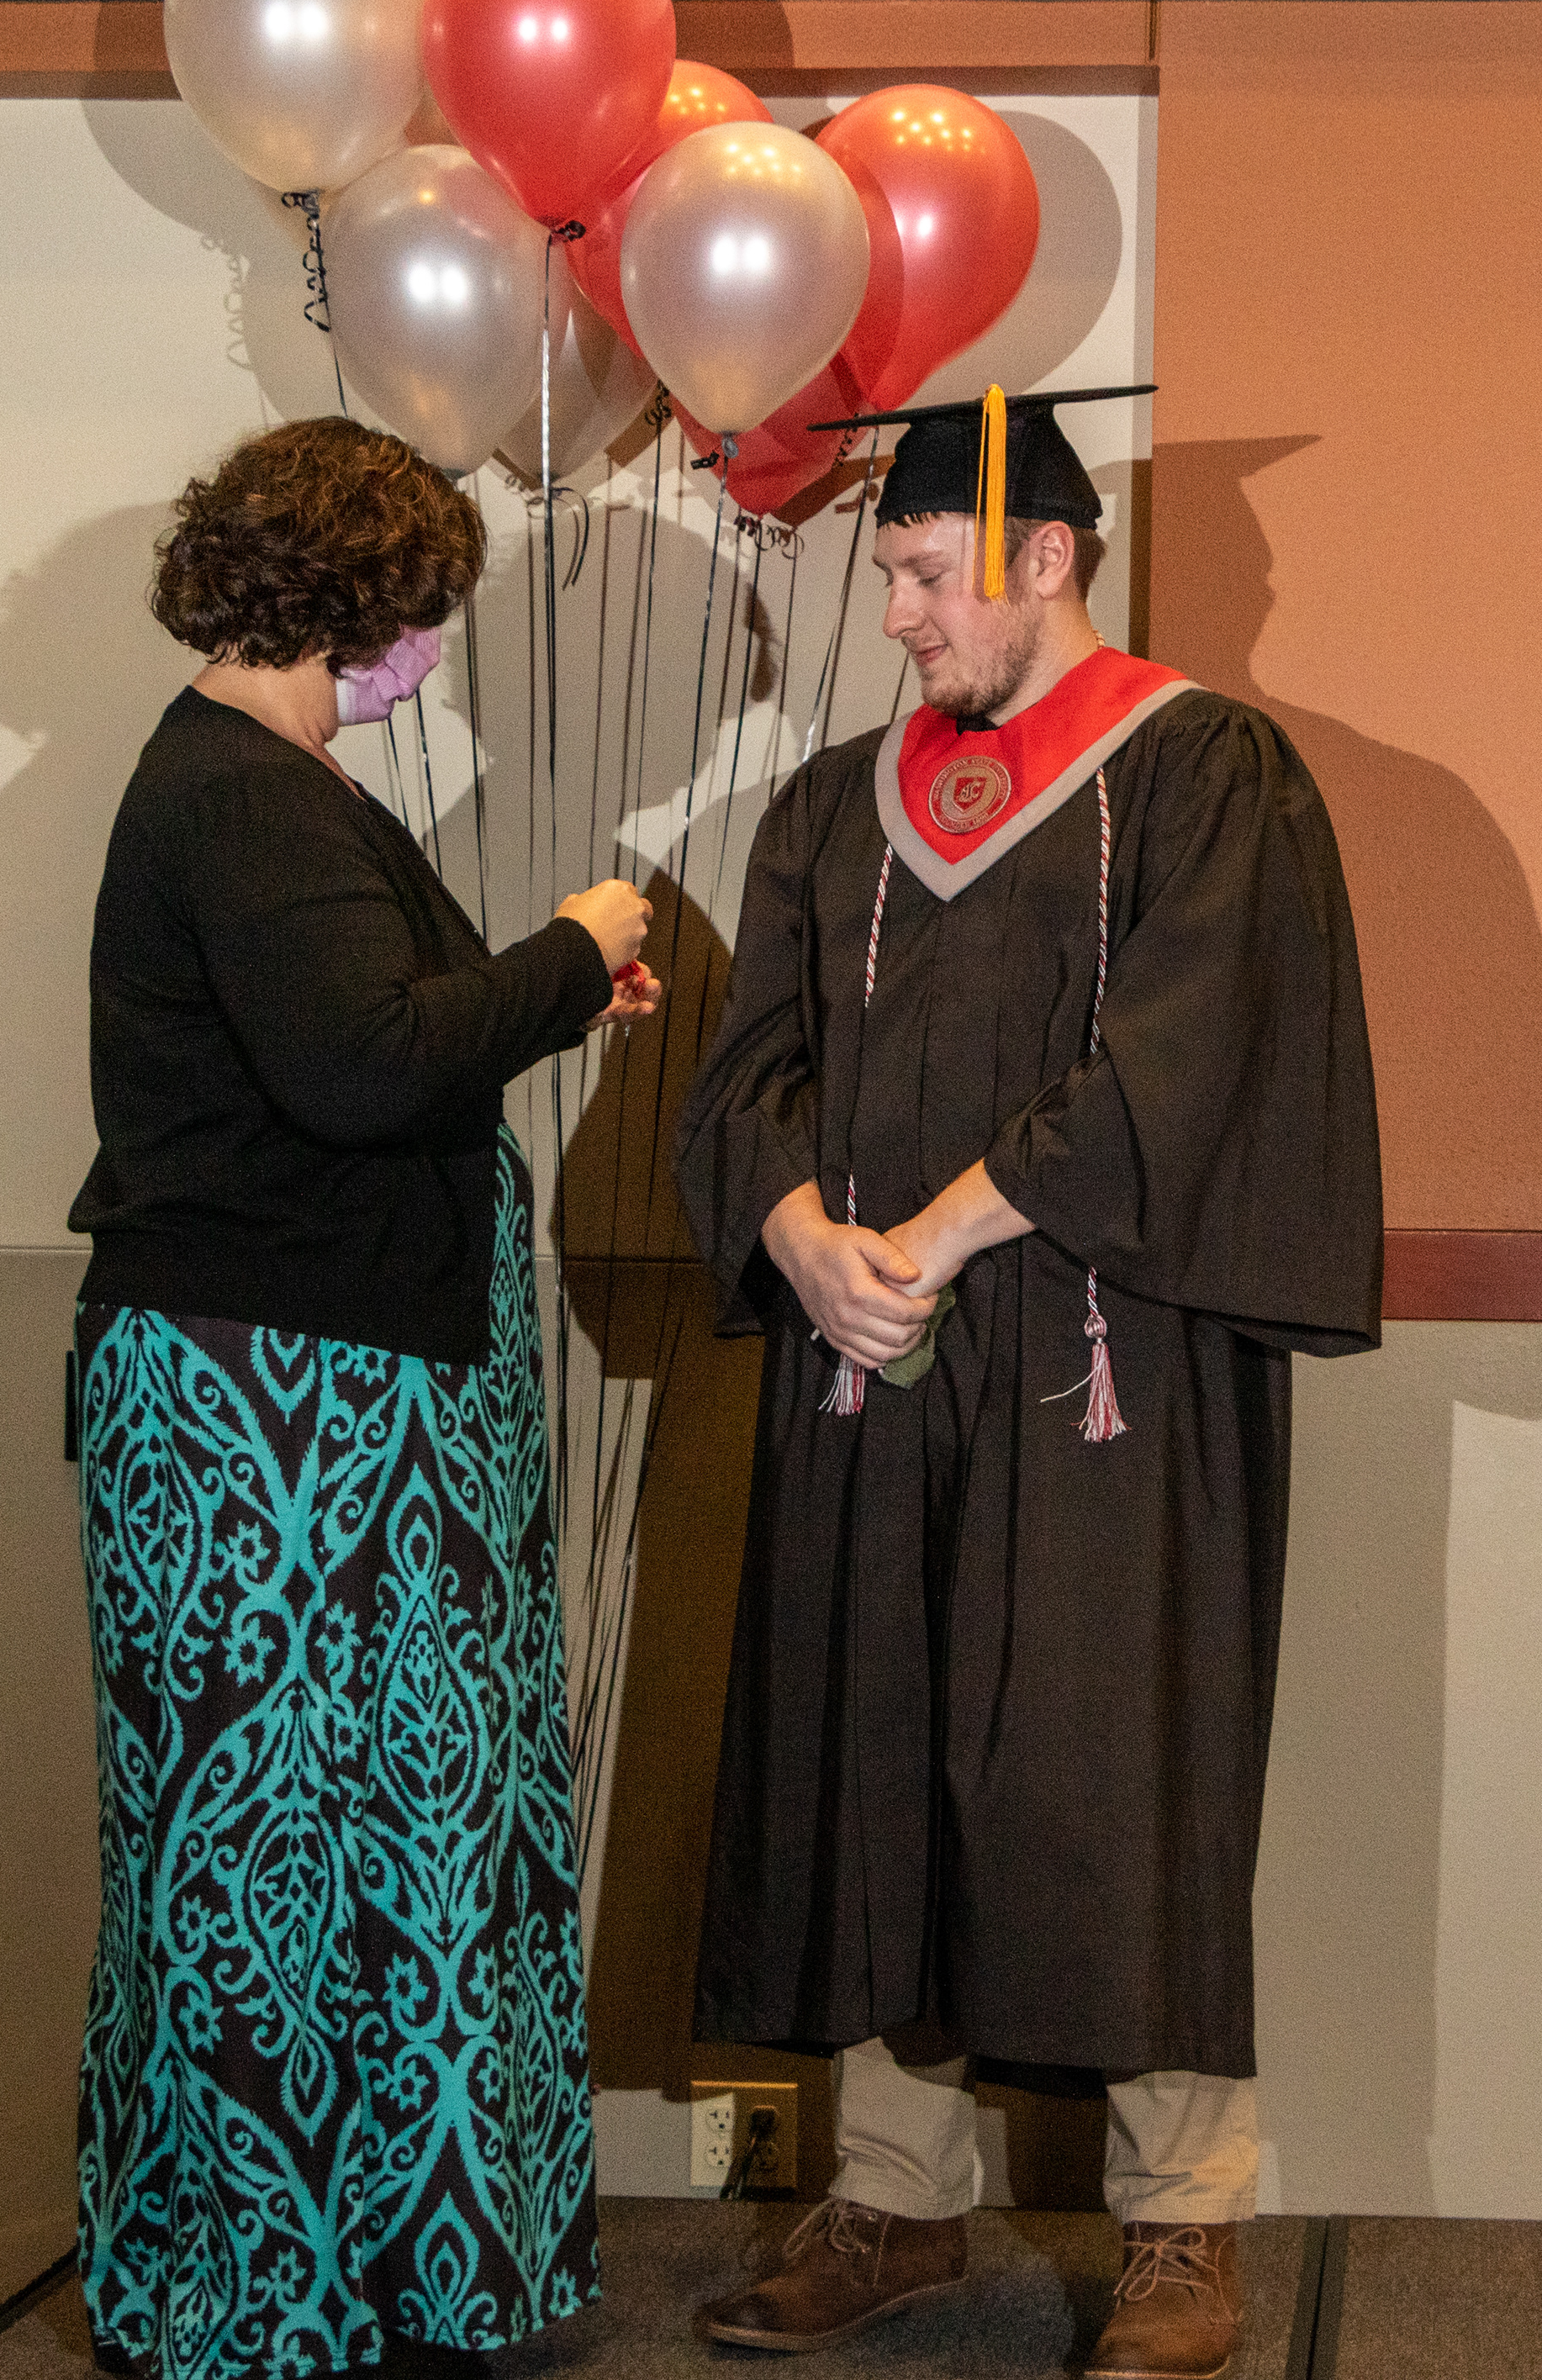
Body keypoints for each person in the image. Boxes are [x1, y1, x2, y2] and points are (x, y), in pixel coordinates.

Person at [675, 388, 1381, 2380]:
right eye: (893, 575)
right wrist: (806, 1238)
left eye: (923, 573)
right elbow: (750, 1072)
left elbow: (1186, 1063)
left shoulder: (1203, 771)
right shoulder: (840, 805)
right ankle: (895, 2195)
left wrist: (941, 1229)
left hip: (1105, 1363)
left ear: (1045, 557)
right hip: (875, 1355)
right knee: (879, 1739)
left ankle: (1181, 2221)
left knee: (1118, 1758)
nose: (897, 614)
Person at [69, 415, 658, 2380]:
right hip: (274, 1431)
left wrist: (540, 987)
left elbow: (366, 1036)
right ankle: (271, 2295)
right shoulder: (245, 791)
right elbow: (358, 1069)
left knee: (366, 1843)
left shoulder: (261, 784)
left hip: (325, 1401)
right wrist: (573, 951)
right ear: (355, 599)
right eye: (419, 613)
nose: (427, 653)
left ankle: (366, 2283)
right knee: (287, 1853)